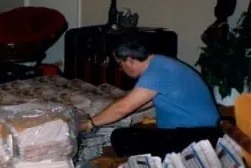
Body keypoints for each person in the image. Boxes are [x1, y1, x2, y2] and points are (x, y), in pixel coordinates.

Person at [80, 37, 222, 158]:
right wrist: (111, 113)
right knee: (134, 134)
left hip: (199, 137)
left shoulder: (156, 72)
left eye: (120, 64)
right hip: (203, 131)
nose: (120, 69)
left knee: (121, 137)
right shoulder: (160, 63)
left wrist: (90, 123)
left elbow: (123, 108)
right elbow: (142, 102)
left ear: (129, 60)